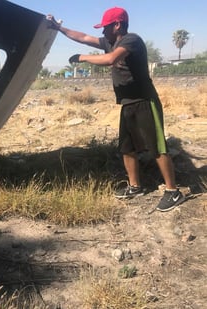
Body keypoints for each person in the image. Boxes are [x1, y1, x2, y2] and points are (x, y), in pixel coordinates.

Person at [47, 7, 186, 212]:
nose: (102, 32)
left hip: (145, 101)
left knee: (157, 146)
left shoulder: (131, 40)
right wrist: (59, 28)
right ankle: (135, 186)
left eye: (105, 27)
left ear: (117, 25)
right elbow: (84, 37)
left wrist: (82, 57)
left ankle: (173, 192)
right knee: (127, 148)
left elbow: (111, 59)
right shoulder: (109, 41)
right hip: (128, 102)